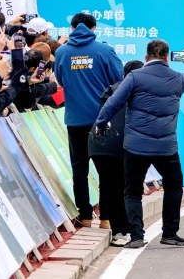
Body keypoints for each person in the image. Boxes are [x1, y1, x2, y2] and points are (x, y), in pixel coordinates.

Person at [93, 39, 184, 249]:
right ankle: (170, 233)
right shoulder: (177, 79)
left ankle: (136, 236)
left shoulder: (134, 77)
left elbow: (114, 102)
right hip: (166, 147)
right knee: (174, 186)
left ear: (146, 57)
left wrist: (101, 123)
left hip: (136, 145)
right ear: (167, 58)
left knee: (132, 191)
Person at [55, 12, 125, 225]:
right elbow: (118, 80)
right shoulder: (105, 50)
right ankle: (106, 218)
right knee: (107, 170)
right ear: (93, 28)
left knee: (79, 168)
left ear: (72, 28)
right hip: (102, 120)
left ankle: (85, 216)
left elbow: (60, 80)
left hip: (75, 119)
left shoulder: (61, 52)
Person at [89, 60, 143, 247]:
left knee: (109, 185)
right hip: (120, 143)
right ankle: (123, 230)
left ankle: (116, 228)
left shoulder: (111, 88)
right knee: (124, 188)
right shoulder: (140, 90)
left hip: (98, 143)